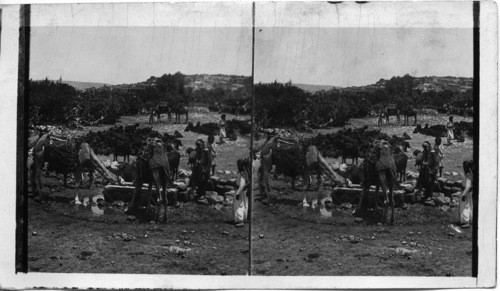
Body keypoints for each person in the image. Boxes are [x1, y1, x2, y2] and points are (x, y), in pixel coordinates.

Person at [375, 140, 397, 206]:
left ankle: (386, 198)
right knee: (392, 182)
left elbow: (377, 155)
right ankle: (392, 198)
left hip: (382, 166)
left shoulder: (380, 148)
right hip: (391, 166)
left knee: (382, 182)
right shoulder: (390, 149)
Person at [233, 158, 251, 227]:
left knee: (239, 206)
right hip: (241, 192)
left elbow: (242, 185)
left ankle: (240, 220)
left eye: (239, 165)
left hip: (240, 193)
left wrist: (238, 193)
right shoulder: (243, 174)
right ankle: (241, 219)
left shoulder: (243, 175)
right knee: (242, 205)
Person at [459, 160, 474, 228]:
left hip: (466, 192)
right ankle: (470, 219)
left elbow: (467, 186)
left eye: (464, 166)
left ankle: (465, 221)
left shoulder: (468, 175)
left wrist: (464, 195)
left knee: (464, 206)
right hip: (469, 192)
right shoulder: (471, 174)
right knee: (469, 205)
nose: (463, 167)